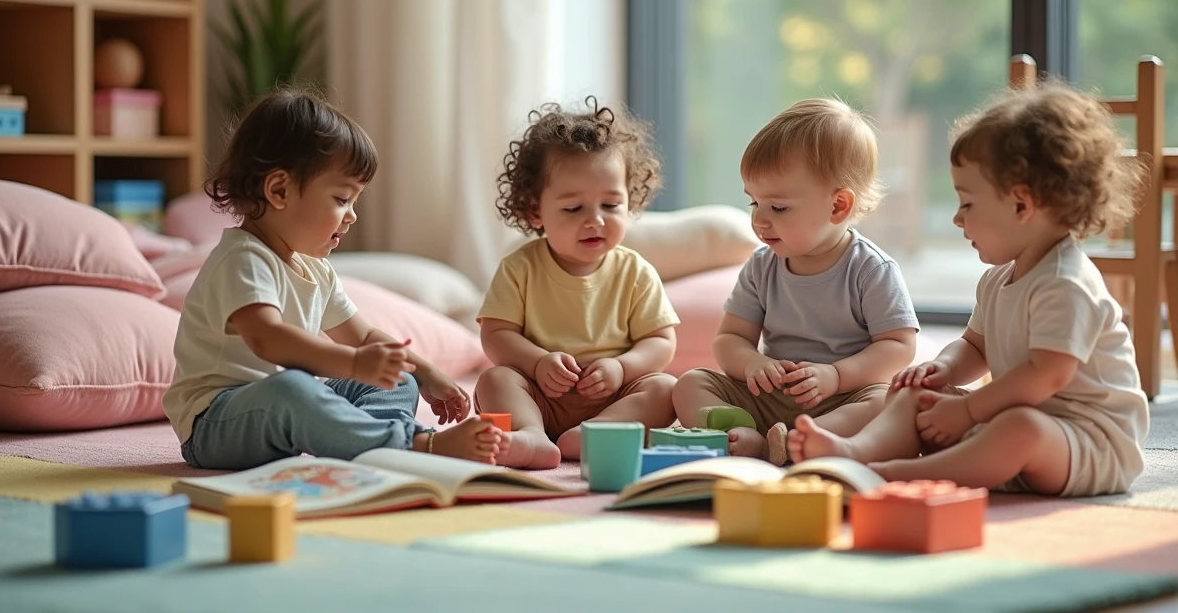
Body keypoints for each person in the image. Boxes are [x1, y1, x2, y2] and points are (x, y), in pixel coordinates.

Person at [790, 83, 1150, 496]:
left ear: (1021, 205)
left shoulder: (1066, 283)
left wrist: (968, 409)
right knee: (917, 396)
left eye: (967, 203)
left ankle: (896, 474)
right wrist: (941, 370)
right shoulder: (999, 279)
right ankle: (856, 454)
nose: (959, 219)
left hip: (1090, 444)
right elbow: (975, 348)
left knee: (1021, 428)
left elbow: (1046, 375)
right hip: (1012, 420)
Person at [163, 89, 500, 470]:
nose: (352, 215)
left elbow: (366, 338)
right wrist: (354, 364)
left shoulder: (315, 270)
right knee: (294, 388)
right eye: (342, 199)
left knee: (395, 381)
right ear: (279, 191)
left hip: (284, 408)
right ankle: (414, 445)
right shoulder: (242, 258)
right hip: (215, 424)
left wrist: (426, 373)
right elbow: (267, 339)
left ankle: (379, 445)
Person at [672, 98, 919, 464]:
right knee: (691, 383)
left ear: (838, 206)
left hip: (841, 398)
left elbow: (899, 346)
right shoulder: (761, 266)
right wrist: (752, 364)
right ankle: (747, 435)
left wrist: (836, 376)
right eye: (754, 204)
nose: (759, 220)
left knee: (887, 400)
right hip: (769, 396)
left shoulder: (870, 268)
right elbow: (730, 338)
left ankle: (797, 442)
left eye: (779, 207)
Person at [474, 98, 680, 469]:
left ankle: (598, 433)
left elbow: (661, 342)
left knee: (666, 389)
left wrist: (622, 368)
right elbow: (496, 334)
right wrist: (536, 364)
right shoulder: (520, 267)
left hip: (613, 396)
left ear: (629, 201)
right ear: (535, 210)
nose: (595, 221)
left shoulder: (635, 272)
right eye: (573, 208)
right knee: (494, 380)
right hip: (541, 396)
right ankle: (531, 435)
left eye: (611, 205)